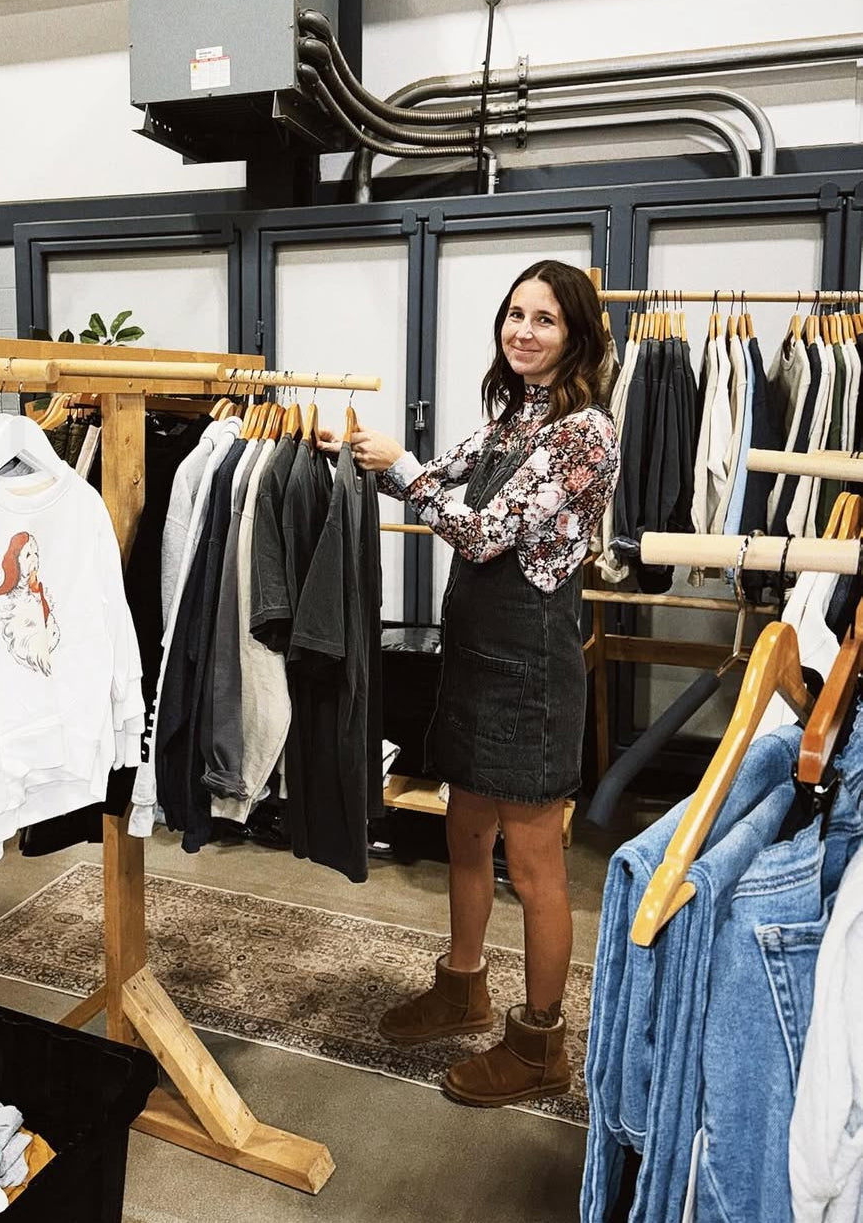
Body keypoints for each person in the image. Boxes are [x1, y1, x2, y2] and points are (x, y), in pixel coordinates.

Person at [320, 260, 619, 1107]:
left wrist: (404, 469)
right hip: (477, 658)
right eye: (515, 315)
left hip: (531, 670)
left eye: (545, 320)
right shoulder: (507, 424)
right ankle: (463, 987)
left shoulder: (585, 434)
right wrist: (354, 450)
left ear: (579, 335)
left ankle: (538, 1046)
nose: (523, 332)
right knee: (463, 835)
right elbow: (438, 477)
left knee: (533, 866)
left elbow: (483, 534)